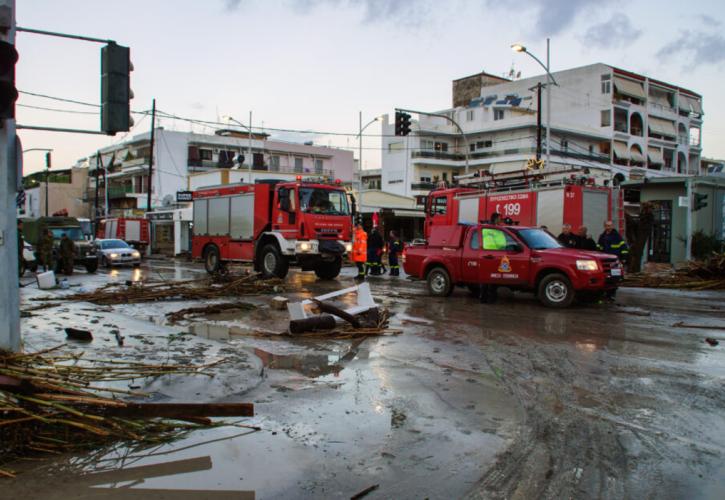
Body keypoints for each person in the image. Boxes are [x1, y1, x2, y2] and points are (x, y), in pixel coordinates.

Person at [598, 220, 629, 300]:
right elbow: (599, 248)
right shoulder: (602, 236)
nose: (610, 227)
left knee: (614, 277)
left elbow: (624, 248)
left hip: (614, 260)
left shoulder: (616, 236)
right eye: (608, 225)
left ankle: (611, 294)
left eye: (611, 225)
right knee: (605, 277)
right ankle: (605, 293)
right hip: (605, 260)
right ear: (604, 226)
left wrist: (624, 259)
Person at [480, 213, 506, 304]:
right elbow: (501, 243)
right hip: (495, 255)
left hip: (485, 255)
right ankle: (491, 299)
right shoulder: (496, 229)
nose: (500, 220)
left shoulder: (485, 228)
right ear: (495, 219)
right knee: (493, 279)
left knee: (485, 279)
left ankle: (483, 298)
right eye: (499, 219)